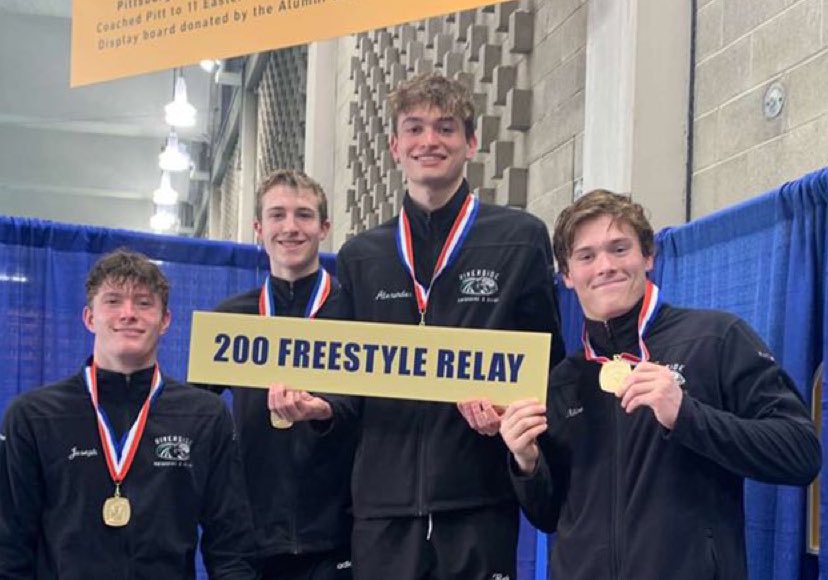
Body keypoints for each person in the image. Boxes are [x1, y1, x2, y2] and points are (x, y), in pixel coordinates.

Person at [270, 73, 566, 579]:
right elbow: (347, 385)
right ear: (394, 146)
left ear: (471, 143)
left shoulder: (519, 238)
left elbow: (548, 371)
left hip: (479, 503)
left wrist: (507, 411)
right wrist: (322, 409)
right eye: (415, 128)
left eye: (446, 128)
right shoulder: (364, 254)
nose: (430, 141)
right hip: (382, 512)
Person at [500, 189, 821, 580]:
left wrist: (687, 416)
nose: (605, 266)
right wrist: (527, 463)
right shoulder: (563, 381)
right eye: (586, 256)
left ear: (647, 256)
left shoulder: (715, 339)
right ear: (567, 275)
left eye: (619, 248)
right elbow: (549, 516)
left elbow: (801, 453)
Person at [0, 249, 258, 579]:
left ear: (165, 320)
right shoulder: (33, 417)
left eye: (144, 302)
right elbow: (9, 548)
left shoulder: (205, 417)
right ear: (89, 317)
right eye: (113, 301)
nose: (128, 313)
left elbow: (231, 547)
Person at [204, 169, 355, 580]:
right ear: (258, 228)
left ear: (324, 228)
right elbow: (192, 412)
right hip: (251, 541)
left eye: (304, 215)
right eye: (277, 215)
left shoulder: (355, 314)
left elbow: (380, 409)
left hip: (338, 540)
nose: (291, 227)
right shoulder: (231, 319)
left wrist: (329, 411)